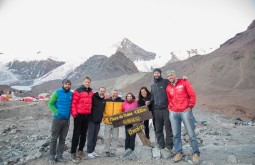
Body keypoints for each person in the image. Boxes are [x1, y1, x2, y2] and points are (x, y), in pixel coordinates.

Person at [166, 70, 200, 164]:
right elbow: (169, 99)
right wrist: (170, 108)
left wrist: (190, 106)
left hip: (185, 111)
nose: (170, 77)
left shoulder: (184, 82)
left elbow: (192, 95)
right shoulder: (168, 87)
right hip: (173, 113)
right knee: (176, 134)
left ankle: (196, 153)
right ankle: (178, 152)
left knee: (191, 133)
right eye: (168, 76)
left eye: (171, 75)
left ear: (175, 74)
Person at [148, 68, 173, 151]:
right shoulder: (152, 85)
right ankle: (161, 145)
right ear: (153, 74)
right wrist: (149, 102)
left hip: (166, 109)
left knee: (168, 128)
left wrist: (183, 79)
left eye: (158, 73)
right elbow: (153, 96)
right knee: (158, 129)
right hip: (156, 110)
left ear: (160, 74)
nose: (156, 74)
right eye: (155, 73)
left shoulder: (166, 81)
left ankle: (169, 146)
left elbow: (174, 83)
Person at [48, 79, 72, 164]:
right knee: (54, 138)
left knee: (62, 139)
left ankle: (59, 156)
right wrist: (57, 112)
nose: (67, 86)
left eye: (69, 84)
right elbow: (50, 104)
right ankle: (51, 157)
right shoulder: (57, 93)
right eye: (66, 84)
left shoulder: (71, 94)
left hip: (66, 120)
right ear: (63, 84)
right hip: (57, 119)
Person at [70, 76, 94, 164]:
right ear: (83, 82)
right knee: (76, 134)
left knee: (84, 135)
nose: (87, 83)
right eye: (86, 82)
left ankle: (80, 151)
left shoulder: (91, 92)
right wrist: (75, 115)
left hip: (87, 116)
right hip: (79, 116)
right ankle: (73, 153)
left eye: (89, 82)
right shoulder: (77, 91)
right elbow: (73, 104)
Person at [87, 87, 106, 159]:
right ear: (98, 91)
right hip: (91, 120)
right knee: (90, 136)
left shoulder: (103, 100)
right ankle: (89, 151)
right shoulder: (93, 97)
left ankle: (92, 151)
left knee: (95, 137)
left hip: (98, 121)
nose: (102, 92)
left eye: (103, 91)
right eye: (101, 91)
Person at [103, 89, 123, 157]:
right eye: (113, 93)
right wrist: (105, 118)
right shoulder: (106, 101)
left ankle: (113, 151)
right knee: (107, 137)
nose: (114, 94)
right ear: (111, 94)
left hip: (116, 122)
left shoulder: (121, 101)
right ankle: (106, 151)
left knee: (115, 137)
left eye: (116, 93)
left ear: (117, 94)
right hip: (107, 121)